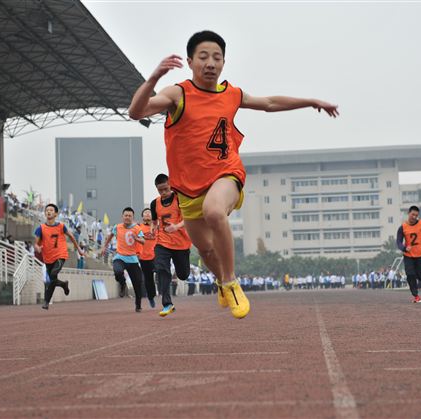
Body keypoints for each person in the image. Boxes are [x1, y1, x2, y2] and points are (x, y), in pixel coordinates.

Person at [128, 30, 338, 319]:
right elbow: (136, 112)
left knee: (215, 212)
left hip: (226, 174)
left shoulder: (231, 94)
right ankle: (220, 281)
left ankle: (231, 281)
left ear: (224, 62)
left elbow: (269, 103)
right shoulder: (178, 94)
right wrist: (153, 78)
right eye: (203, 57)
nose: (211, 63)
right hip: (188, 190)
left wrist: (311, 101)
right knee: (206, 251)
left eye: (217, 57)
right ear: (190, 61)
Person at [150, 174, 192, 317]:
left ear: (171, 185)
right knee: (161, 268)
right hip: (162, 241)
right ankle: (167, 303)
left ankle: (184, 267)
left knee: (183, 274)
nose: (163, 193)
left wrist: (177, 226)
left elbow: (189, 218)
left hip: (181, 243)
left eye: (166, 189)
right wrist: (152, 229)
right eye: (160, 190)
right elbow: (154, 222)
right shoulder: (154, 203)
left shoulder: (180, 199)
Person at [34, 204, 84, 310]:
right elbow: (36, 243)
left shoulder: (61, 226)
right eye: (47, 210)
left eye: (51, 210)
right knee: (52, 280)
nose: (49, 212)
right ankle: (63, 285)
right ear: (45, 213)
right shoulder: (41, 228)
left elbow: (71, 236)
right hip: (48, 258)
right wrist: (37, 248)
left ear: (56, 214)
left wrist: (78, 248)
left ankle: (46, 301)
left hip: (60, 255)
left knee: (53, 274)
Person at [101, 207, 146, 313]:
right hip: (120, 257)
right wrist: (104, 247)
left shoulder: (137, 228)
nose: (127, 217)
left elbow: (143, 241)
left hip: (133, 259)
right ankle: (122, 284)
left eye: (130, 216)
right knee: (117, 271)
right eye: (126, 215)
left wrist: (137, 239)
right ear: (122, 216)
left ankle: (138, 305)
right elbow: (110, 236)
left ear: (133, 217)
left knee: (138, 283)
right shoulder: (117, 227)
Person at [396, 205, 421, 303]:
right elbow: (398, 241)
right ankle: (415, 295)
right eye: (412, 214)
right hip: (409, 255)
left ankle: (418, 277)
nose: (414, 217)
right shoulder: (402, 227)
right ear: (409, 213)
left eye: (416, 215)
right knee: (410, 274)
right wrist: (404, 248)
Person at [137, 208, 158, 309]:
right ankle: (151, 297)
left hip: (156, 256)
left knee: (161, 272)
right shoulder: (139, 227)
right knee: (148, 279)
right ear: (142, 216)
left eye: (149, 213)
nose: (147, 214)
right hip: (144, 257)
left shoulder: (156, 226)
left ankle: (165, 296)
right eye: (145, 213)